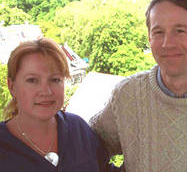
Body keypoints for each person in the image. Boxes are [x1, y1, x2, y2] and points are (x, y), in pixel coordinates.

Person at [90, 0, 187, 172]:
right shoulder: (127, 95)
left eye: (179, 31)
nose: (167, 43)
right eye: (158, 32)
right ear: (149, 37)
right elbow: (88, 149)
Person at [0, 38, 110, 172]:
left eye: (55, 80)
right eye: (32, 80)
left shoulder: (78, 129)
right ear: (12, 87)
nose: (46, 91)